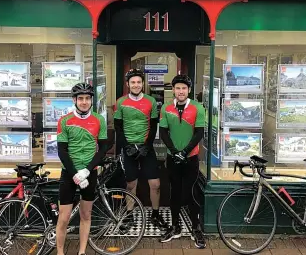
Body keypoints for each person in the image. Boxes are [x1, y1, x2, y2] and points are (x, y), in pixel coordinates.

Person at [55, 83, 109, 255]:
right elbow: (62, 151)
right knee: (64, 218)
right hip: (69, 173)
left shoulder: (99, 120)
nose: (84, 102)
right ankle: (60, 252)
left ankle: (82, 251)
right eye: (81, 98)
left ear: (91, 100)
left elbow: (102, 149)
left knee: (86, 215)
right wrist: (75, 173)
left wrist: (87, 170)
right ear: (74, 100)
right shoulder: (64, 121)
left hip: (89, 173)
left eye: (87, 98)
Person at [114, 68, 168, 230]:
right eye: (133, 82)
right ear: (127, 84)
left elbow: (153, 126)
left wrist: (147, 146)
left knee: (155, 184)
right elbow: (118, 127)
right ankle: (129, 215)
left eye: (139, 82)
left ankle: (156, 214)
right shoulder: (121, 102)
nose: (136, 85)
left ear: (143, 84)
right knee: (131, 184)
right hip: (129, 147)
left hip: (146, 148)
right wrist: (127, 146)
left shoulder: (150, 101)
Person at [158, 74, 206, 249]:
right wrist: (174, 152)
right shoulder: (166, 108)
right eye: (177, 88)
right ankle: (175, 226)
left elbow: (199, 133)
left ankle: (196, 228)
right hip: (173, 159)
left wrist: (184, 152)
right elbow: (163, 132)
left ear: (189, 90)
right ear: (173, 90)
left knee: (192, 193)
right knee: (175, 193)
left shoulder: (197, 107)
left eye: (184, 88)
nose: (180, 91)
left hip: (191, 158)